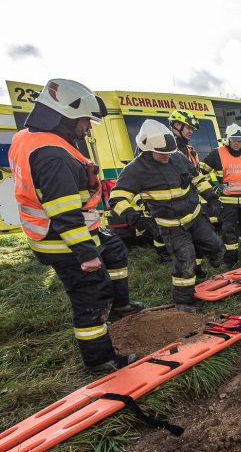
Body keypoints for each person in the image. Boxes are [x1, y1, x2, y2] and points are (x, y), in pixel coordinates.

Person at [8, 78, 142, 373]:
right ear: (65, 116)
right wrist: (86, 254)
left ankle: (120, 307)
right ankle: (101, 360)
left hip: (70, 228)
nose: (89, 127)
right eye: (85, 120)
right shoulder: (54, 156)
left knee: (116, 251)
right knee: (91, 296)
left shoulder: (28, 138)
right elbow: (64, 214)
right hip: (62, 238)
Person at [110, 120, 225, 313]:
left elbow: (196, 177)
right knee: (185, 261)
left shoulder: (178, 157)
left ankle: (206, 266)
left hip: (195, 217)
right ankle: (183, 303)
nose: (166, 157)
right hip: (171, 227)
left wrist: (211, 196)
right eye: (162, 153)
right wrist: (136, 219)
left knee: (216, 248)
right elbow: (116, 198)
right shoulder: (135, 170)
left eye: (169, 152)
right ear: (146, 149)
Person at [200, 124, 241, 267]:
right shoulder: (218, 153)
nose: (236, 143)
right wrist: (212, 187)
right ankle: (231, 259)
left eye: (239, 140)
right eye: (234, 140)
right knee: (229, 230)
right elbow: (201, 171)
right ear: (228, 140)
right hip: (227, 202)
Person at [168, 109, 211, 277]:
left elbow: (197, 176)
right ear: (176, 125)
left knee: (200, 239)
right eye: (188, 127)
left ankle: (198, 268)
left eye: (192, 128)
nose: (191, 131)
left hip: (193, 203)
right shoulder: (162, 149)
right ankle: (186, 273)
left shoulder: (191, 150)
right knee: (184, 245)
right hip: (175, 206)